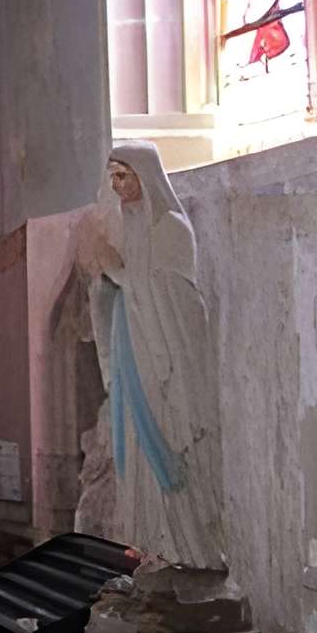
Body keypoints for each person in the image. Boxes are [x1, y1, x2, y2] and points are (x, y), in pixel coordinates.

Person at [76, 139, 226, 570]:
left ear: (148, 177)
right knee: (137, 449)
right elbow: (131, 287)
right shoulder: (134, 227)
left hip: (165, 359)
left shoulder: (171, 227)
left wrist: (111, 267)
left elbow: (175, 298)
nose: (121, 186)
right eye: (115, 178)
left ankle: (191, 551)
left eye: (127, 175)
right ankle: (152, 547)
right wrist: (110, 274)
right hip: (135, 353)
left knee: (169, 443)